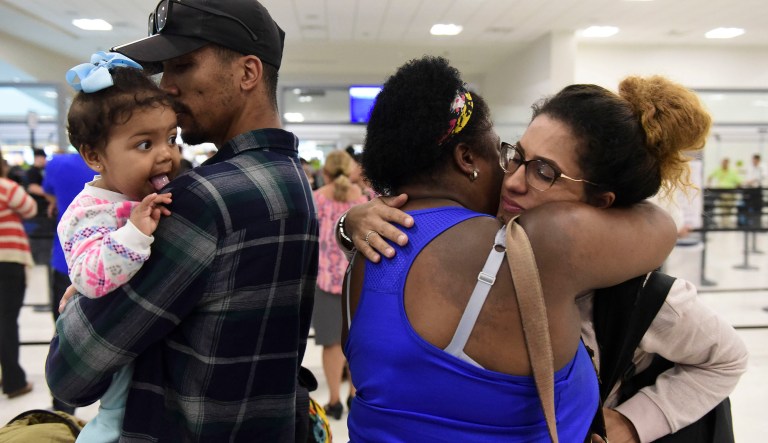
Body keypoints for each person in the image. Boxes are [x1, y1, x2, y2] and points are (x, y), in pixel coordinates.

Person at [342, 72, 747, 442]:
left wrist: (631, 423)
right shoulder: (491, 242)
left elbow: (726, 358)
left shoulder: (638, 294)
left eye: (544, 172)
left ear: (598, 203)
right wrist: (352, 223)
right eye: (516, 156)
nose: (513, 181)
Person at [46, 1, 319, 441]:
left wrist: (80, 296)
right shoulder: (292, 178)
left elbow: (72, 374)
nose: (166, 86)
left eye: (184, 66)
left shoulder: (201, 199)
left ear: (248, 73)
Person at [54, 52, 180, 443]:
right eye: (145, 144)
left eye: (171, 139)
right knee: (120, 417)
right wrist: (135, 233)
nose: (166, 154)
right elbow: (90, 279)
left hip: (156, 344)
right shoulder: (88, 213)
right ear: (94, 156)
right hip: (120, 358)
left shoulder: (142, 195)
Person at [311, 150, 367, 420]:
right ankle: (355, 395)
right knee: (358, 342)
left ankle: (333, 400)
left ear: (327, 172)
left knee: (331, 344)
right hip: (358, 280)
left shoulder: (317, 198)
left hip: (325, 281)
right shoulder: (364, 200)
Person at [41, 148, 94, 414]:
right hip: (120, 264)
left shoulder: (58, 164)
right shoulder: (127, 158)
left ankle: (62, 412)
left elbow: (48, 192)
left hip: (67, 260)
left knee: (63, 338)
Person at [0, 149, 37, 399]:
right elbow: (30, 208)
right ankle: (13, 382)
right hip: (8, 259)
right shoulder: (6, 187)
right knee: (6, 319)